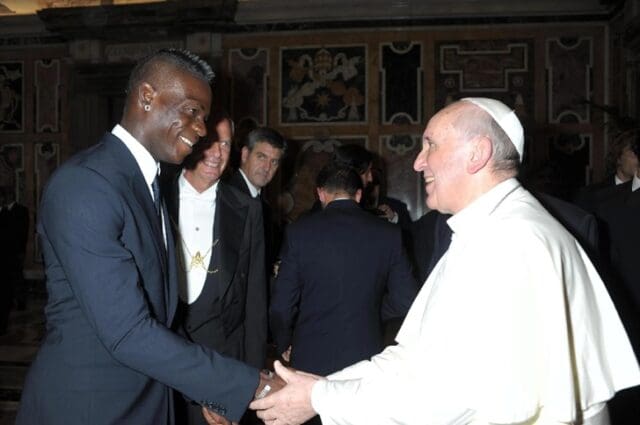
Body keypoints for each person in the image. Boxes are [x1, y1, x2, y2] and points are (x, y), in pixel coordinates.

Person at [250, 97, 640, 425]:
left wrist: (321, 399)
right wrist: (322, 386)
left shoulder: (511, 240)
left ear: (477, 153)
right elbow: (416, 358)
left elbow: (453, 394)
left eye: (430, 144)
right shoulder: (488, 228)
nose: (418, 162)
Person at [16, 48, 279, 425]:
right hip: (93, 409)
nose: (203, 130)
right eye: (192, 111)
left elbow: (163, 318)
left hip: (148, 399)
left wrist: (203, 388)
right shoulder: (86, 184)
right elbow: (128, 331)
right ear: (146, 97)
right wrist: (247, 385)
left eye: (203, 117)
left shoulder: (149, 182)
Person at [162, 112, 268, 425]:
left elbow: (255, 304)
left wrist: (240, 388)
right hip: (160, 368)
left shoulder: (247, 209)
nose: (218, 152)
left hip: (221, 367)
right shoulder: (154, 196)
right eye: (210, 141)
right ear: (189, 142)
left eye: (225, 143)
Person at [270, 163, 416, 377]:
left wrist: (284, 342)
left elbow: (281, 307)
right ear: (358, 195)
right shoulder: (389, 234)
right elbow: (407, 300)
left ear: (320, 194)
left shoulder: (298, 233)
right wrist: (369, 307)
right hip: (364, 355)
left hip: (310, 357)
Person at [226, 127, 287, 276]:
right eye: (261, 157)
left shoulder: (262, 204)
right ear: (245, 154)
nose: (267, 167)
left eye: (274, 162)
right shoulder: (227, 197)